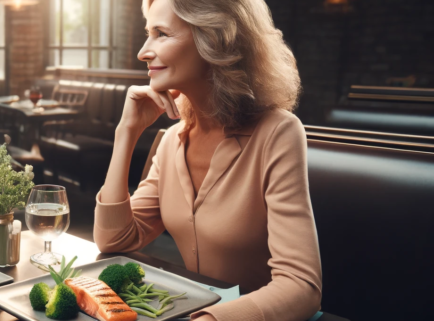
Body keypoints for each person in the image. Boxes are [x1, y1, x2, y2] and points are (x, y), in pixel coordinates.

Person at [94, 0, 321, 320]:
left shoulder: (278, 133)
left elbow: (301, 286)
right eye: (148, 33)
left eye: (161, 34)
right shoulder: (173, 141)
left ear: (214, 39)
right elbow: (114, 238)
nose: (143, 51)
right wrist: (126, 132)